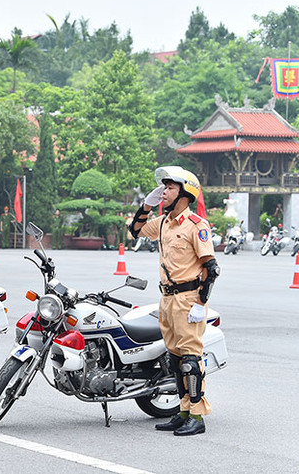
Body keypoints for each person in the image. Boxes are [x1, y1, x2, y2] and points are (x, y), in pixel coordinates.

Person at [129, 166, 219, 437]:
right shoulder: (164, 222)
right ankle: (182, 413)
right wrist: (146, 205)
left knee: (191, 360)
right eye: (163, 188)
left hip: (188, 298)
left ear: (184, 193)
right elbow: (136, 230)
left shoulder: (196, 226)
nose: (164, 192)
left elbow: (211, 267)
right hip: (166, 298)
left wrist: (201, 303)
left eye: (169, 188)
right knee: (175, 359)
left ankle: (197, 416)